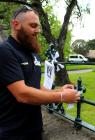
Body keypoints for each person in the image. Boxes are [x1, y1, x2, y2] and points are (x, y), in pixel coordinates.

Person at [0, 6, 80, 140]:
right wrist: (61, 97)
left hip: (35, 130)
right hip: (12, 133)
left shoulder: (32, 53)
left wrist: (59, 90)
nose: (37, 30)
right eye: (33, 25)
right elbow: (22, 94)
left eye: (38, 26)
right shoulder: (5, 51)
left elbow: (36, 87)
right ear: (16, 24)